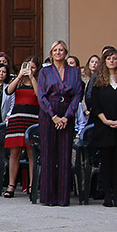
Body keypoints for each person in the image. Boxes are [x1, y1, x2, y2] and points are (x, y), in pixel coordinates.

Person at [88, 46, 117, 207]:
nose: (112, 61)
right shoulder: (99, 81)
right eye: (108, 59)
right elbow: (95, 104)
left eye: (114, 58)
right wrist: (106, 120)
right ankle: (107, 195)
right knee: (106, 162)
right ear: (104, 61)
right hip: (104, 127)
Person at [38, 40, 83, 206]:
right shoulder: (45, 72)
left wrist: (66, 116)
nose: (58, 52)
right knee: (49, 154)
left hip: (67, 112)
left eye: (61, 50)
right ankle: (48, 197)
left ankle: (63, 197)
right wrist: (53, 116)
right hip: (49, 112)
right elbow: (41, 95)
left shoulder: (74, 72)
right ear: (51, 53)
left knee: (64, 155)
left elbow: (78, 94)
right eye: (55, 50)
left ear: (66, 53)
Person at [2, 58, 40, 198]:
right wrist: (20, 76)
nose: (30, 69)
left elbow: (39, 94)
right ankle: (11, 185)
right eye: (27, 66)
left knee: (32, 154)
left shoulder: (38, 81)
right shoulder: (18, 81)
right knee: (15, 153)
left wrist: (31, 77)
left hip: (32, 119)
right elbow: (8, 91)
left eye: (33, 67)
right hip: (17, 118)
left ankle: (32, 185)